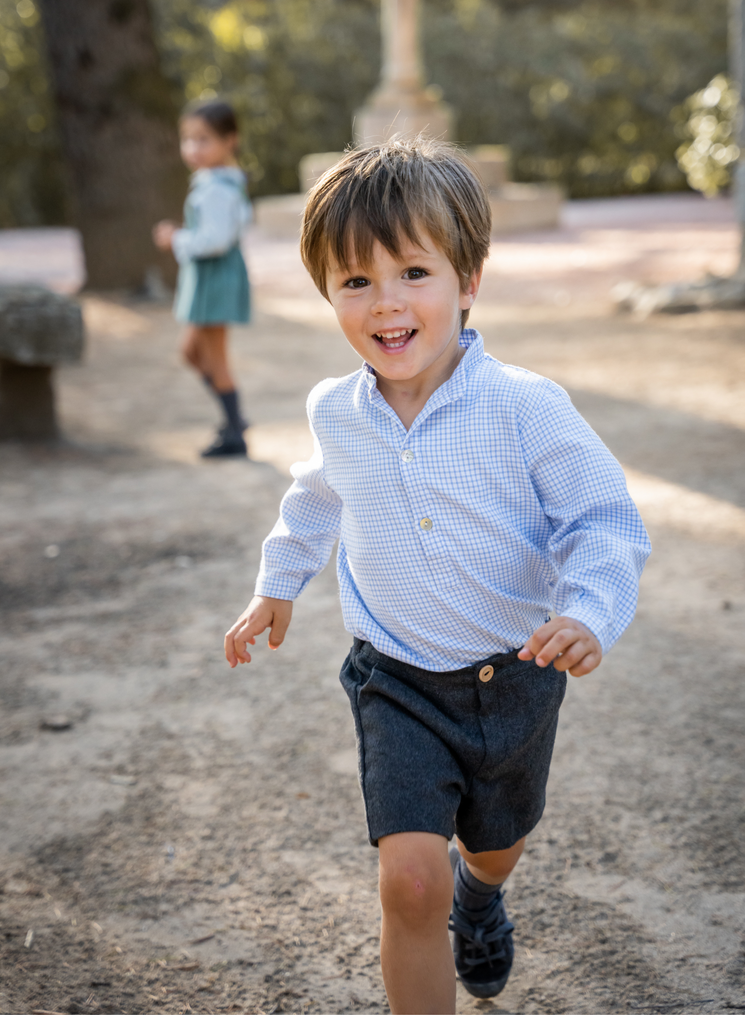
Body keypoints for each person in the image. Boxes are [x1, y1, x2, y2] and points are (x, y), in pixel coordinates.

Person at [224, 139, 651, 1013]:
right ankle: (443, 907)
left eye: (414, 271)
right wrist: (278, 582)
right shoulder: (333, 411)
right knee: (408, 884)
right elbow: (314, 500)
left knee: (492, 847)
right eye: (355, 282)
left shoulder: (526, 407)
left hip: (517, 678)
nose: (387, 303)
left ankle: (483, 897)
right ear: (328, 294)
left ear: (470, 278)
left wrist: (588, 612)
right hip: (398, 679)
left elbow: (602, 522)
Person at [153, 99, 251, 458]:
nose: (193, 148)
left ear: (230, 140)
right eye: (188, 139)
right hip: (208, 276)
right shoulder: (216, 181)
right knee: (191, 351)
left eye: (204, 139)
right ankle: (235, 416)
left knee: (214, 356)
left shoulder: (217, 188)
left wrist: (175, 238)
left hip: (214, 277)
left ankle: (234, 432)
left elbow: (216, 240)